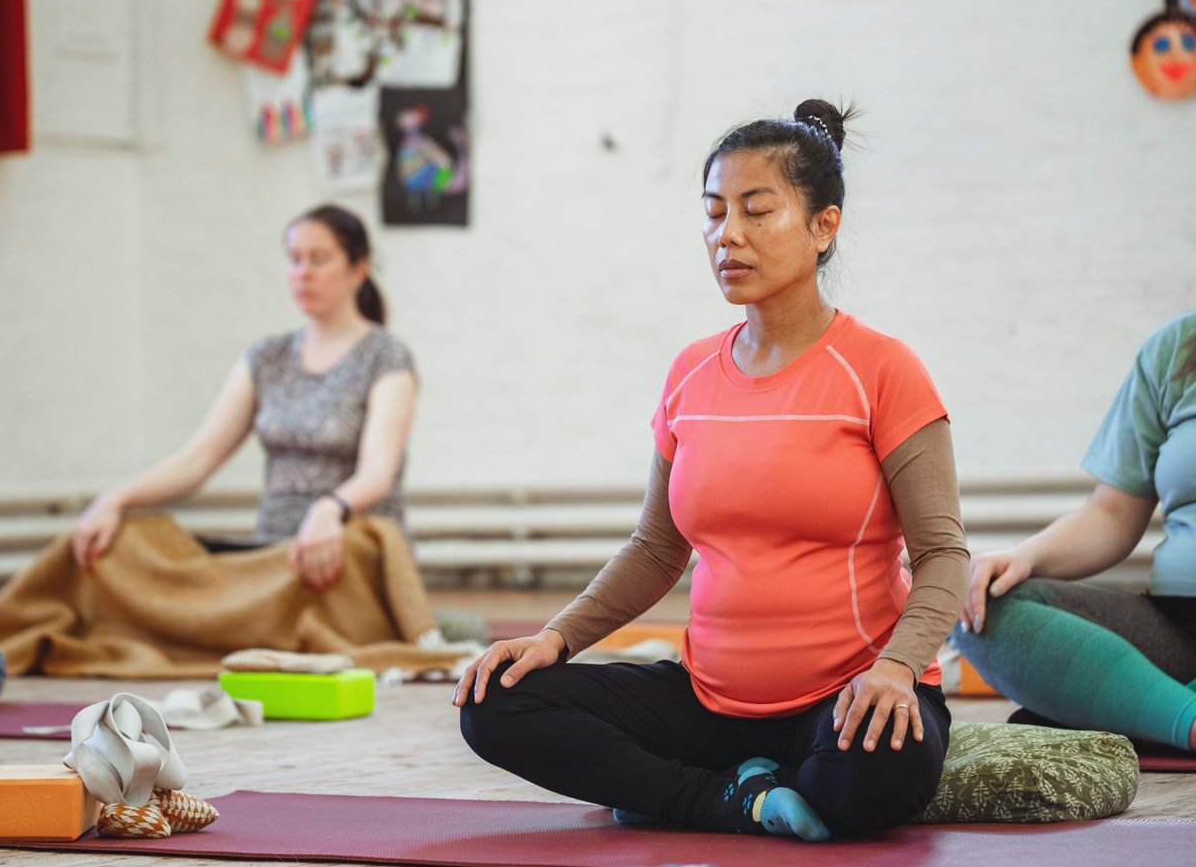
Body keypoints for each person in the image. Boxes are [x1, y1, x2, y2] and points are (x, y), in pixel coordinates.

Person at [453, 101, 970, 841]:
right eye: (714, 212)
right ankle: (727, 798)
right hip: (706, 706)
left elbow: (943, 553)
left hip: (847, 698)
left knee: (878, 768)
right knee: (494, 701)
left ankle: (700, 789)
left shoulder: (884, 370)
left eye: (757, 211)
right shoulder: (690, 373)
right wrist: (554, 639)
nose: (728, 234)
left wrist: (897, 668)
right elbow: (655, 549)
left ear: (823, 226)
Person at [71, 205, 418, 592]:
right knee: (131, 556)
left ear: (358, 270)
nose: (303, 272)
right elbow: (197, 460)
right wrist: (114, 500)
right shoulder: (267, 358)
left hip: (353, 547)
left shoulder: (386, 357)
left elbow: (378, 472)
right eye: (294, 259)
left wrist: (328, 510)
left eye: (319, 259)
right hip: (275, 557)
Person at [955, 311, 1196, 752]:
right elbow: (1113, 515)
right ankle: (1182, 717)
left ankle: (1152, 714)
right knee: (979, 607)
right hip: (1179, 630)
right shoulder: (1175, 347)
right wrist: (1024, 555)